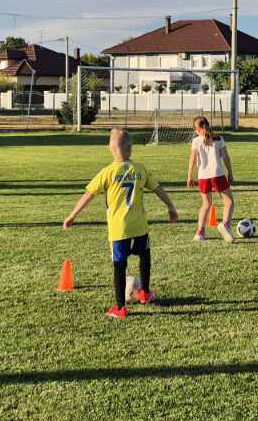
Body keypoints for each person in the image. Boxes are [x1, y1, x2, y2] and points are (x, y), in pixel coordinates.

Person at [62, 128, 179, 319]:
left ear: (110, 148)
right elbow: (157, 188)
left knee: (119, 267)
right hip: (140, 227)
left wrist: (72, 215)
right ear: (130, 149)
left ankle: (120, 308)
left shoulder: (107, 172)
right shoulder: (139, 168)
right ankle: (145, 293)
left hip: (119, 229)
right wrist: (171, 207)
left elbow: (88, 195)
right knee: (145, 257)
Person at [185, 115, 236, 243]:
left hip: (203, 177)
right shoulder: (219, 139)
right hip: (217, 174)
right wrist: (230, 172)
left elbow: (192, 160)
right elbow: (226, 157)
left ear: (196, 130)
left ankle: (200, 233)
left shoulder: (196, 141)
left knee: (206, 204)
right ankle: (225, 225)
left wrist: (190, 176)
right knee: (229, 201)